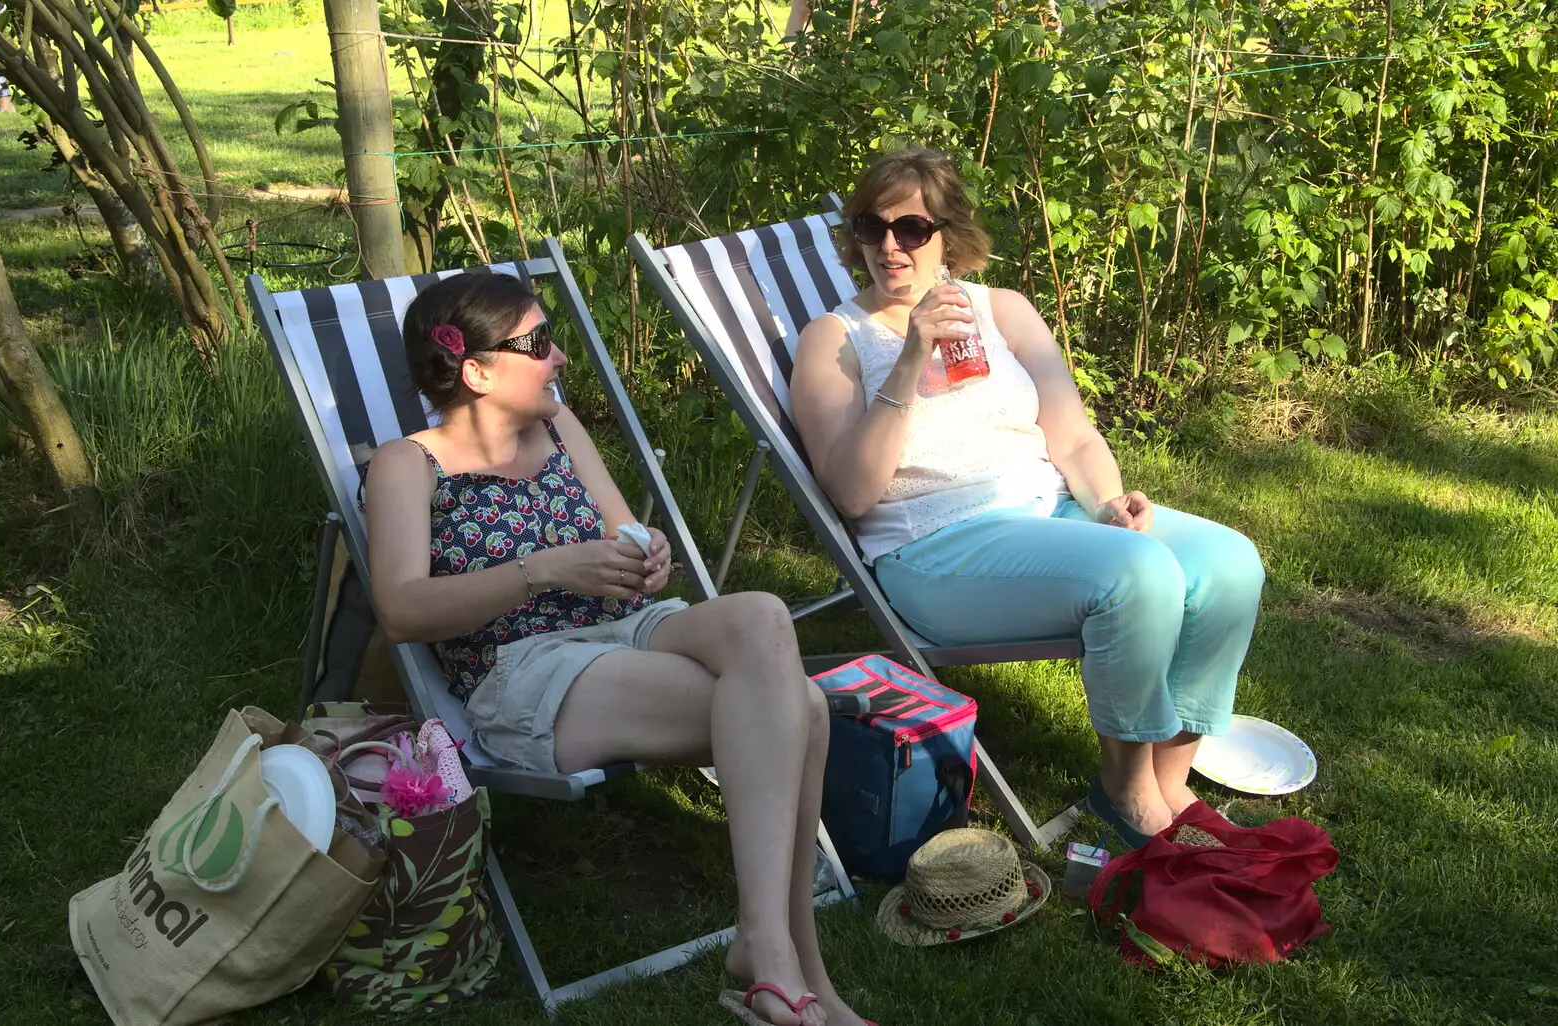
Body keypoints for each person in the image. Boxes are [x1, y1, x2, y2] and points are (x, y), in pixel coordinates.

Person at [362, 272, 867, 1026]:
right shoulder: (410, 464)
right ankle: (795, 965)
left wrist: (648, 553)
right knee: (802, 706)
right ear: (476, 370)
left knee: (762, 614)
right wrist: (542, 571)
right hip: (527, 669)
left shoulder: (562, 429)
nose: (560, 357)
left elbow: (622, 533)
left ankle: (766, 947)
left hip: (626, 623)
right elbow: (402, 610)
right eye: (537, 344)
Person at [788, 147, 1266, 847]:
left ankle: (1170, 781)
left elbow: (1071, 438)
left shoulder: (1001, 309)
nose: (889, 246)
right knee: (1139, 576)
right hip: (938, 546)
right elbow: (854, 494)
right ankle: (1125, 796)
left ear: (947, 232)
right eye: (870, 226)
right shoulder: (833, 339)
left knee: (1228, 562)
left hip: (1054, 511)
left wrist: (1107, 504)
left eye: (911, 228)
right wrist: (912, 355)